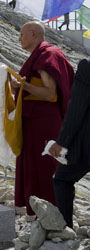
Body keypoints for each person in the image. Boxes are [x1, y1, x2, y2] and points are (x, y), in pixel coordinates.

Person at [11, 21, 74, 216]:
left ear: (33, 34)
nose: (19, 38)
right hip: (35, 120)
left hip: (43, 122)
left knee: (45, 166)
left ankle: (55, 214)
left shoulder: (47, 56)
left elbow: (49, 94)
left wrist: (23, 86)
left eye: (22, 34)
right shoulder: (40, 55)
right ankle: (40, 214)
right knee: (34, 165)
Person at [50, 58, 90, 228]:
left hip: (87, 143)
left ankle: (65, 230)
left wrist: (62, 141)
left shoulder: (87, 66)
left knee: (62, 179)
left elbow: (77, 107)